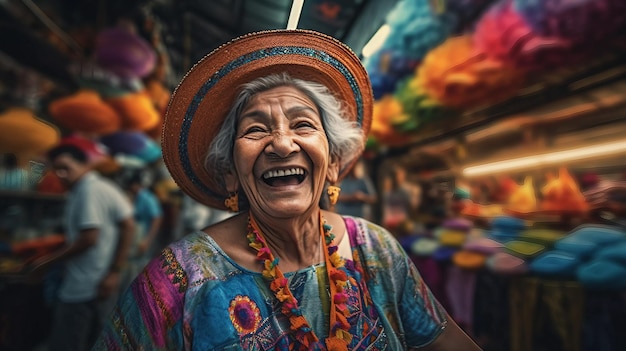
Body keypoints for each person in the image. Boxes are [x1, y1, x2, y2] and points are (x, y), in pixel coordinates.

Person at [94, 29, 481, 350]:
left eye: (302, 125)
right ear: (231, 173)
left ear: (331, 163)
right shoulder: (181, 277)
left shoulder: (376, 250)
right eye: (255, 130)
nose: (281, 144)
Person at [29, 144, 135, 351]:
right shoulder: (97, 187)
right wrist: (114, 271)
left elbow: (89, 238)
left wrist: (45, 263)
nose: (60, 174)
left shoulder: (88, 191)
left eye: (65, 168)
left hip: (84, 284)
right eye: (56, 169)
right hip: (95, 280)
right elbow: (128, 224)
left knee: (69, 341)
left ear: (84, 165)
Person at [120, 171, 163, 293]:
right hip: (136, 234)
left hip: (144, 233)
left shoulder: (147, 197)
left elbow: (157, 218)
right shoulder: (133, 196)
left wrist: (148, 240)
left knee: (139, 266)